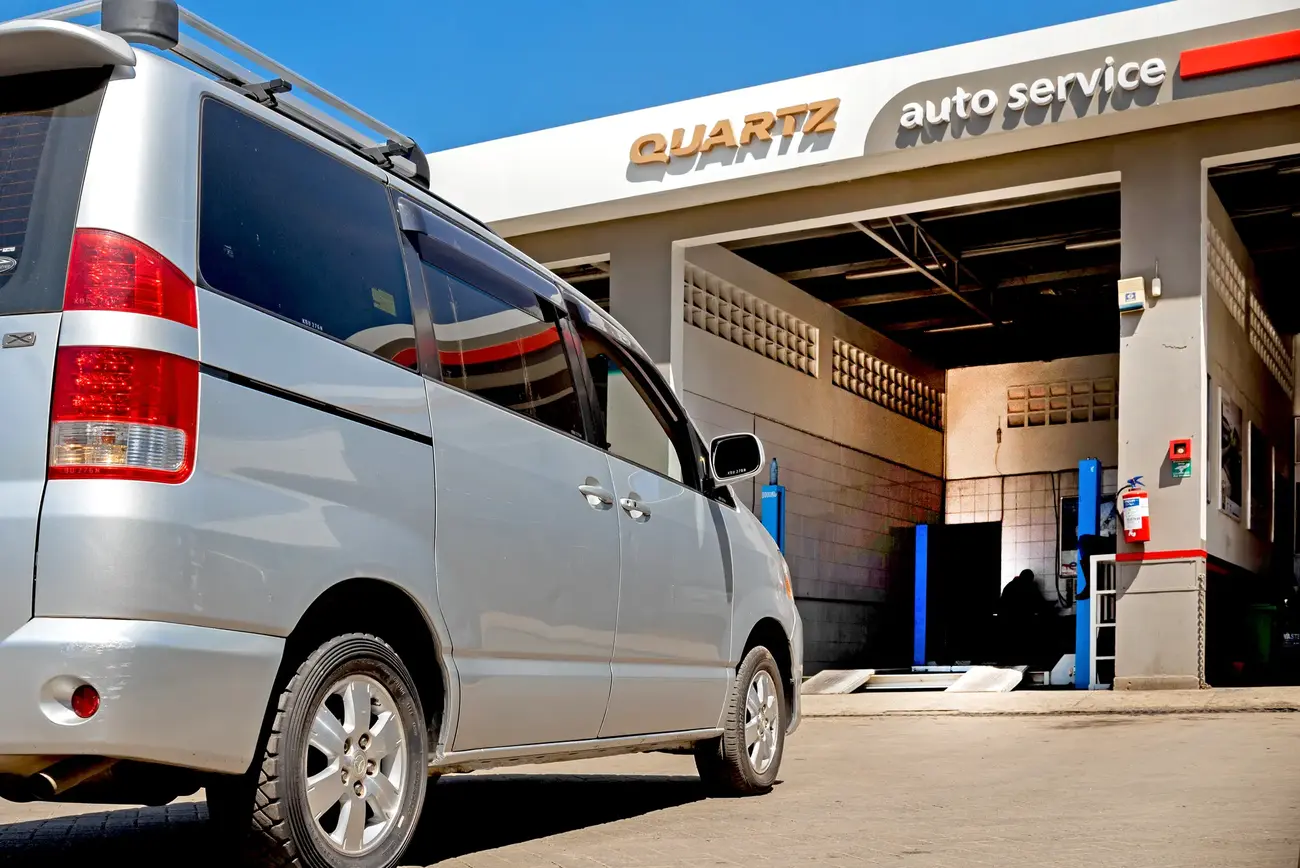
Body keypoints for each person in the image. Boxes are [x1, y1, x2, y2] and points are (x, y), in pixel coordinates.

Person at [998, 569, 1054, 666]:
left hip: (1007, 622)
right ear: (1030, 579)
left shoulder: (1009, 585)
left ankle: (1009, 663)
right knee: (1024, 646)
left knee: (1010, 646)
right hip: (1023, 622)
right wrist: (1050, 608)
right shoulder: (1028, 586)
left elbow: (1002, 603)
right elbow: (1040, 602)